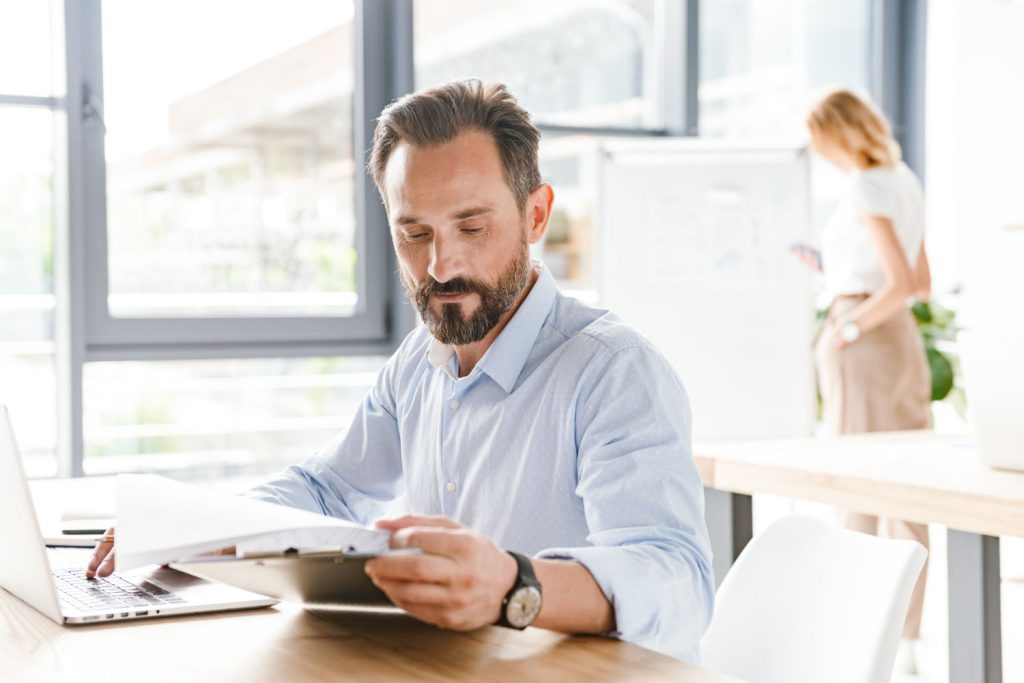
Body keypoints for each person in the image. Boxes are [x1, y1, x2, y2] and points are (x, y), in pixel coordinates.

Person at [87, 79, 714, 661]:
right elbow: (328, 489)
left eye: (472, 226)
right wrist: (198, 525)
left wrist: (513, 587)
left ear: (536, 216)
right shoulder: (421, 360)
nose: (441, 266)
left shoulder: (613, 372)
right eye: (413, 233)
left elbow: (678, 582)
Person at [799, 88, 932, 673]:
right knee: (906, 493)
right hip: (898, 338)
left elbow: (900, 281)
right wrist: (830, 271)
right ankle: (905, 643)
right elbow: (918, 282)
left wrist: (846, 328)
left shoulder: (865, 185)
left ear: (837, 132)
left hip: (866, 334)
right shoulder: (902, 179)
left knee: (858, 487)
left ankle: (855, 636)